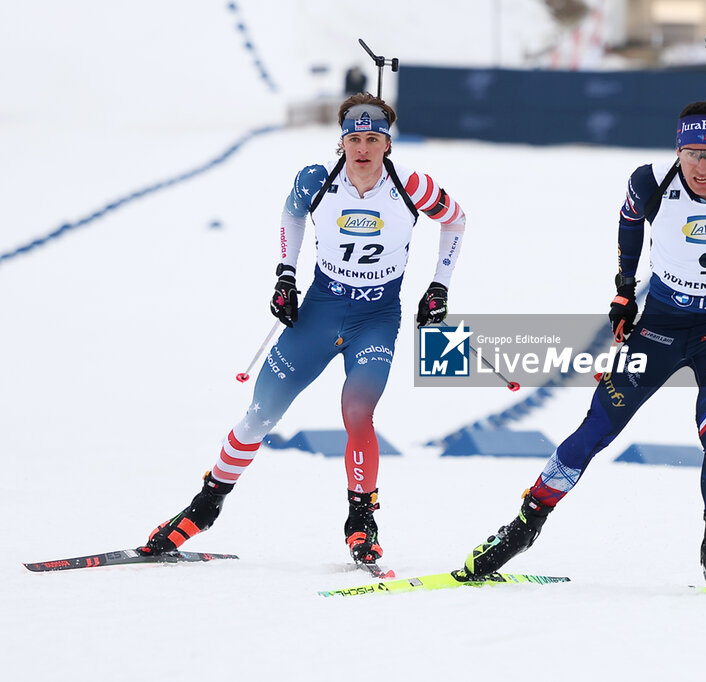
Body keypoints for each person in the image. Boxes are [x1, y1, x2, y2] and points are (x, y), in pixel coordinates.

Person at [461, 101, 706, 589]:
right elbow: (628, 223)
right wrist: (624, 291)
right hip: (660, 327)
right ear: (678, 151)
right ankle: (526, 522)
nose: (701, 166)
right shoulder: (650, 181)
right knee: (597, 425)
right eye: (692, 153)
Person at [138, 93, 467, 568]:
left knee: (357, 411)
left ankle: (362, 521)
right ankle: (203, 507)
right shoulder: (317, 180)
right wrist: (285, 275)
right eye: (354, 138)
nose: (363, 148)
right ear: (341, 141)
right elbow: (291, 215)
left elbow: (455, 220)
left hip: (376, 319)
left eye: (373, 139)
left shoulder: (410, 185)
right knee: (260, 413)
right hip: (319, 311)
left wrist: (440, 285)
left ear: (387, 144)